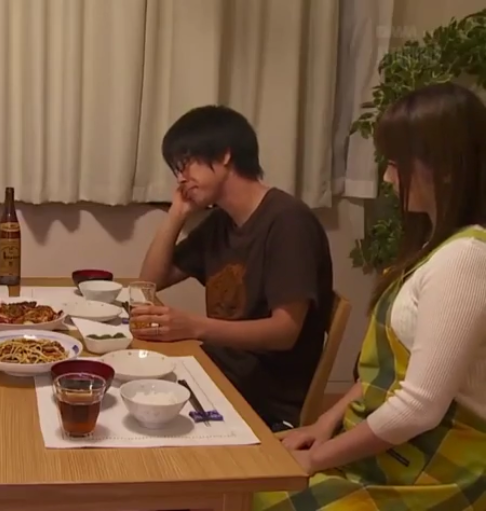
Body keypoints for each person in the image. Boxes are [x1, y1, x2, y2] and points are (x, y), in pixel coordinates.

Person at [255, 82, 486, 510]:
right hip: (398, 450)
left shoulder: (465, 259)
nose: (387, 178)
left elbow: (418, 407)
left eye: (396, 164)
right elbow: (380, 378)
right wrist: (324, 424)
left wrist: (315, 459)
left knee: (268, 494)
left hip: (441, 467)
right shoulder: (435, 247)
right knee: (255, 480)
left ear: (445, 168)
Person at [133, 105, 334, 431]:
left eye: (187, 163)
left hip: (264, 399)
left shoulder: (288, 221)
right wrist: (176, 214)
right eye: (176, 169)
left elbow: (284, 332)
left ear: (225, 155)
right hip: (217, 373)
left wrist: (194, 326)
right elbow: (148, 284)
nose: (181, 178)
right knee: (125, 385)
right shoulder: (221, 222)